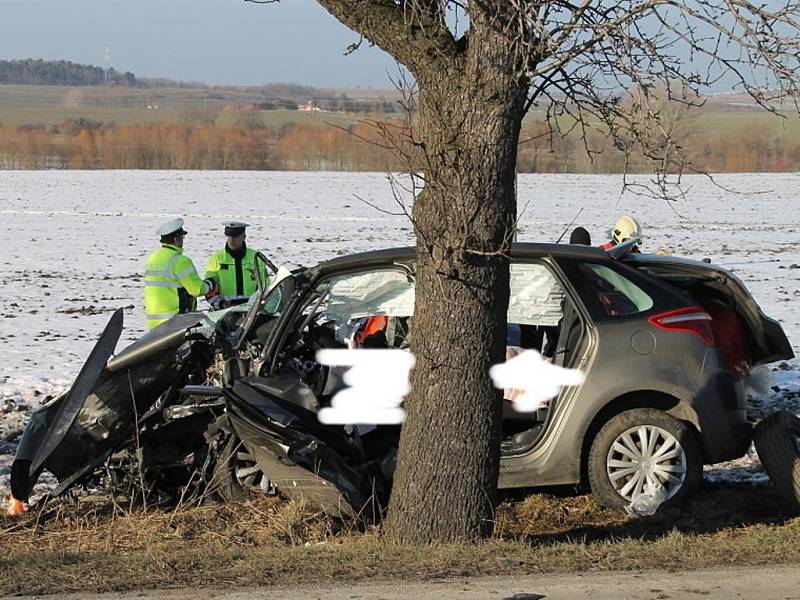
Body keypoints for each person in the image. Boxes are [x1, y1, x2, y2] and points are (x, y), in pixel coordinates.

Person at [143, 218, 218, 329]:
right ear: (176, 239)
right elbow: (197, 290)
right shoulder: (180, 261)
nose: (183, 241)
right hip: (175, 322)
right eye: (182, 237)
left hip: (154, 323)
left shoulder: (153, 258)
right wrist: (211, 283)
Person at [205, 221, 266, 310]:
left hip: (251, 311)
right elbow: (209, 289)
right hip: (224, 312)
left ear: (244, 237)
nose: (232, 240)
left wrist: (257, 305)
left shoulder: (256, 258)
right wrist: (221, 304)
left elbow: (265, 287)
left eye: (236, 236)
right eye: (229, 236)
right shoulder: (216, 259)